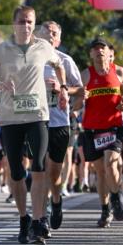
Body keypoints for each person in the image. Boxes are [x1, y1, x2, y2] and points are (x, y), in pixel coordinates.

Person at [0, 5, 66, 245]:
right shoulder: (1, 50)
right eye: (22, 21)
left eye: (30, 21)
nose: (26, 25)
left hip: (38, 115)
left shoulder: (43, 47)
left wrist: (62, 88)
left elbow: (59, 64)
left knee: (39, 166)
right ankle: (24, 218)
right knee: (17, 172)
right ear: (14, 24)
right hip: (10, 118)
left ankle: (39, 221)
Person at [37, 21, 83, 231]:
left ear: (58, 40)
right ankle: (41, 216)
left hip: (59, 122)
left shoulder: (65, 61)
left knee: (54, 171)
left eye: (53, 33)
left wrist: (62, 88)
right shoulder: (30, 60)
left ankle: (56, 201)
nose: (49, 35)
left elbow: (81, 90)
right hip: (36, 121)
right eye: (45, 32)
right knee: (39, 169)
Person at [76, 37, 123, 228]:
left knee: (110, 164)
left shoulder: (119, 72)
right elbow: (76, 104)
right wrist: (81, 98)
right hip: (92, 129)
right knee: (101, 172)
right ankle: (105, 210)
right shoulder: (85, 75)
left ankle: (116, 196)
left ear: (108, 52)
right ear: (91, 54)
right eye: (95, 49)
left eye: (102, 48)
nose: (99, 51)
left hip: (114, 126)